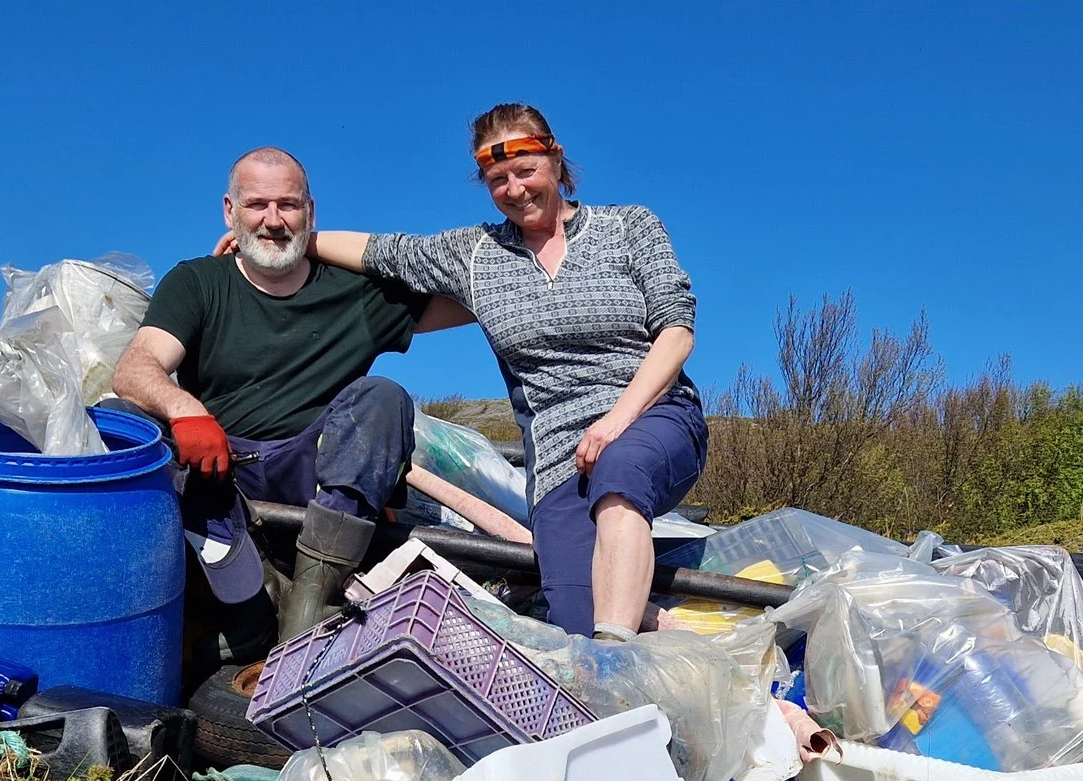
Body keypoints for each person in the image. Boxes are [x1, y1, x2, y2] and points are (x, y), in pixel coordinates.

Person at [304, 104, 706, 641]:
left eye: (525, 171)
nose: (515, 189)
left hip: (653, 417)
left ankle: (612, 664)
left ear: (556, 160)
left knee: (620, 474)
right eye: (498, 180)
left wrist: (615, 421)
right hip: (561, 459)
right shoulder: (476, 254)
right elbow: (383, 252)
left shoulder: (628, 226)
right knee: (572, 617)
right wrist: (287, 238)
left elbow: (677, 332)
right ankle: (643, 667)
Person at [111, 147, 468, 651]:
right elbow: (134, 368)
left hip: (317, 467)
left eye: (289, 206)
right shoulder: (198, 282)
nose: (274, 221)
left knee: (383, 396)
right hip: (221, 467)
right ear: (229, 212)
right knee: (119, 421)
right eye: (257, 205)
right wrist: (187, 409)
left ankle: (308, 608)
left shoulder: (359, 293)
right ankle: (229, 606)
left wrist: (317, 246)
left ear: (311, 213)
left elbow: (477, 291)